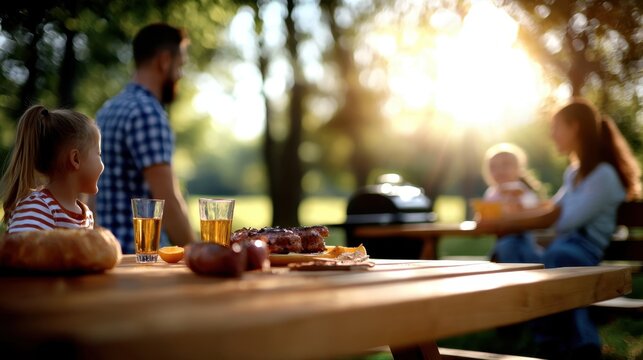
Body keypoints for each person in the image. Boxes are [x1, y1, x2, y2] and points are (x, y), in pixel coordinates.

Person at [478, 98, 641, 359]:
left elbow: (562, 218)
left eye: (556, 127)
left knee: (557, 261)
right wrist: (505, 218)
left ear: (574, 127)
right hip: (561, 248)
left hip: (584, 252)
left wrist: (506, 222)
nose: (552, 134)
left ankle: (574, 343)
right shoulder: (574, 172)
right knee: (510, 247)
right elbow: (553, 208)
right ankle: (554, 340)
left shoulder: (603, 175)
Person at [93, 23, 195, 253]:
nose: (180, 75)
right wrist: (199, 253)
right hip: (140, 258)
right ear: (164, 61)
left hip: (108, 253)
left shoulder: (107, 109)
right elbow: (167, 201)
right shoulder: (147, 113)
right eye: (180, 66)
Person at [0, 105, 103, 233]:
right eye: (99, 154)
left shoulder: (86, 215)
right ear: (75, 159)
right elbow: (21, 251)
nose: (102, 165)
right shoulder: (37, 208)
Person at [481, 142, 542, 213]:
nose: (499, 170)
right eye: (493, 166)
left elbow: (534, 214)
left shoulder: (523, 192)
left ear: (518, 168)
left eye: (506, 164)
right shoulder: (490, 193)